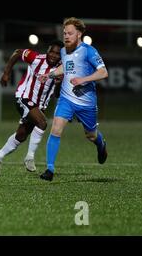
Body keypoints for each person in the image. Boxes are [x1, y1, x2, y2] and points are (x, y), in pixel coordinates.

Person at [38, 17, 108, 181]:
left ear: (79, 34)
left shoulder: (89, 51)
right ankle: (49, 170)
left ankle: (100, 144)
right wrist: (49, 75)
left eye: (70, 33)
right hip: (66, 99)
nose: (66, 36)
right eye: (64, 34)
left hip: (87, 102)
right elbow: (66, 67)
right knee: (55, 128)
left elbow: (103, 72)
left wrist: (83, 80)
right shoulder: (63, 51)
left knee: (90, 135)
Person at [0, 40, 64, 175]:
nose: (53, 55)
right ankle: (30, 157)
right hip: (23, 97)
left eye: (57, 54)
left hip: (40, 106)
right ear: (47, 51)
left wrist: (59, 83)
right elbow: (18, 52)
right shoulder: (36, 58)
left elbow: (57, 94)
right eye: (51, 52)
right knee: (42, 123)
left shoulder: (62, 69)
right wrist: (6, 73)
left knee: (21, 135)